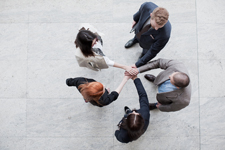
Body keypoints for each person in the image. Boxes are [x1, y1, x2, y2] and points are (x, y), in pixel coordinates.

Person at [126, 58, 191, 112]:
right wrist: (138, 70)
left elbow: (172, 107)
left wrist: (160, 107)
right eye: (172, 74)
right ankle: (155, 80)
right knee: (159, 79)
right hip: (161, 79)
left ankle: (154, 106)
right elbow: (158, 62)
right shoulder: (177, 65)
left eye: (170, 78)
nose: (169, 75)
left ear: (177, 86)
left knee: (159, 103)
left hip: (163, 98)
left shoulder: (184, 100)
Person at [125, 2, 171, 68]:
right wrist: (135, 19)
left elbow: (152, 52)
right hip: (139, 30)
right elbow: (140, 11)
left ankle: (143, 55)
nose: (156, 28)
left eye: (159, 27)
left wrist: (137, 64)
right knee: (137, 36)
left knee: (146, 51)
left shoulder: (165, 35)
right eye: (155, 25)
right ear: (151, 15)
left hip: (147, 43)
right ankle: (134, 40)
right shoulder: (147, 6)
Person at [115, 75, 150, 143]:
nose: (134, 111)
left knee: (128, 112)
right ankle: (128, 111)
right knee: (129, 112)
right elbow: (143, 96)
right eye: (136, 113)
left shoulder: (123, 136)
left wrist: (117, 131)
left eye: (132, 113)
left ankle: (127, 111)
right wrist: (135, 79)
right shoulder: (145, 113)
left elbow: (117, 135)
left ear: (126, 123)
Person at [66, 75, 130, 107]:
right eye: (103, 89)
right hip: (96, 101)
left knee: (87, 98)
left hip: (86, 95)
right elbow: (115, 94)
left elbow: (68, 81)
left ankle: (86, 99)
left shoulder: (80, 82)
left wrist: (68, 82)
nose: (104, 86)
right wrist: (125, 79)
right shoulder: (104, 101)